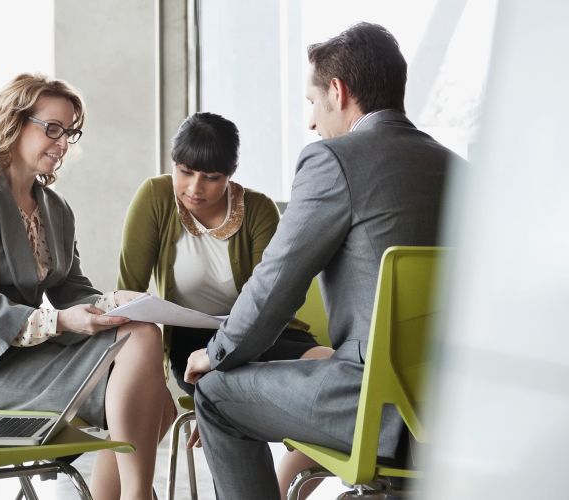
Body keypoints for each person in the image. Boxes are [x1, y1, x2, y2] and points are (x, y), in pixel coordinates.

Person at [181, 22, 459, 500]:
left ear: (338, 91)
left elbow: (276, 284)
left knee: (216, 394)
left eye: (313, 102)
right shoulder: (461, 170)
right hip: (456, 411)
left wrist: (216, 352)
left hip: (374, 406)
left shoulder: (333, 160)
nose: (311, 122)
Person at [0, 73, 174, 500]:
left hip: (35, 357)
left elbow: (71, 288)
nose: (63, 143)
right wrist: (61, 321)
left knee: (157, 390)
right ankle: (139, 496)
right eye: (52, 128)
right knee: (147, 371)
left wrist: (112, 301)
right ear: (14, 123)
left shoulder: (55, 208)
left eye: (69, 132)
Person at [116, 112, 334, 494]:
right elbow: (127, 295)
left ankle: (280, 491)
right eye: (185, 172)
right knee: (219, 400)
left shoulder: (259, 210)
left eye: (211, 177)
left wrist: (223, 386)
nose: (194, 187)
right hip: (194, 349)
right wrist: (154, 377)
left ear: (231, 174)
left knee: (342, 377)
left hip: (263, 335)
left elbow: (270, 300)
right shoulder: (155, 197)